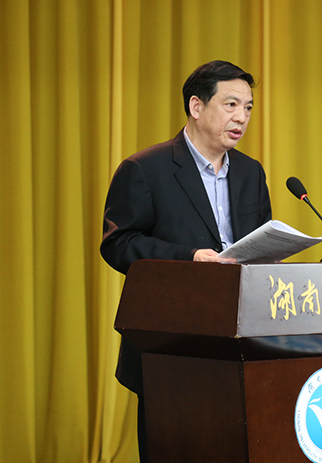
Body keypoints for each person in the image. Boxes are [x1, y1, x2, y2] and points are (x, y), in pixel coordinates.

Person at [100, 60, 272, 461]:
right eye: (231, 104)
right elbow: (119, 243)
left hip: (241, 341)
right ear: (197, 106)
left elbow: (259, 243)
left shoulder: (251, 173)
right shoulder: (145, 169)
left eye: (248, 107)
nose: (241, 117)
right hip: (171, 344)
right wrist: (189, 258)